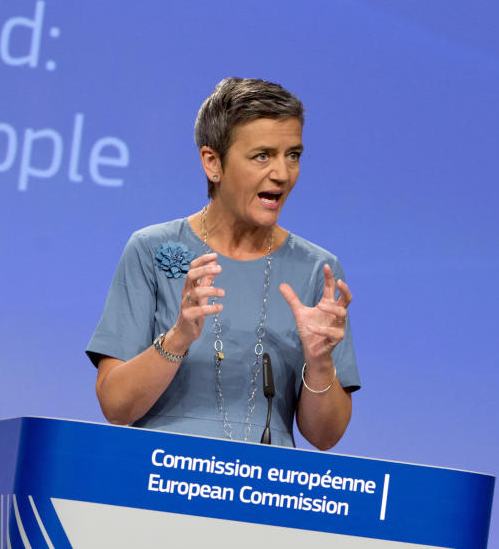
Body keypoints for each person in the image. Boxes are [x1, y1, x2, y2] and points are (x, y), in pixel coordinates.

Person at [86, 78, 360, 449]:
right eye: (262, 155)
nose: (282, 173)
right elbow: (115, 406)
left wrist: (320, 360)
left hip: (261, 493)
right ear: (213, 162)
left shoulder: (317, 271)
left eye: (292, 155)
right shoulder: (151, 249)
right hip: (156, 482)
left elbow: (325, 437)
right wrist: (179, 336)